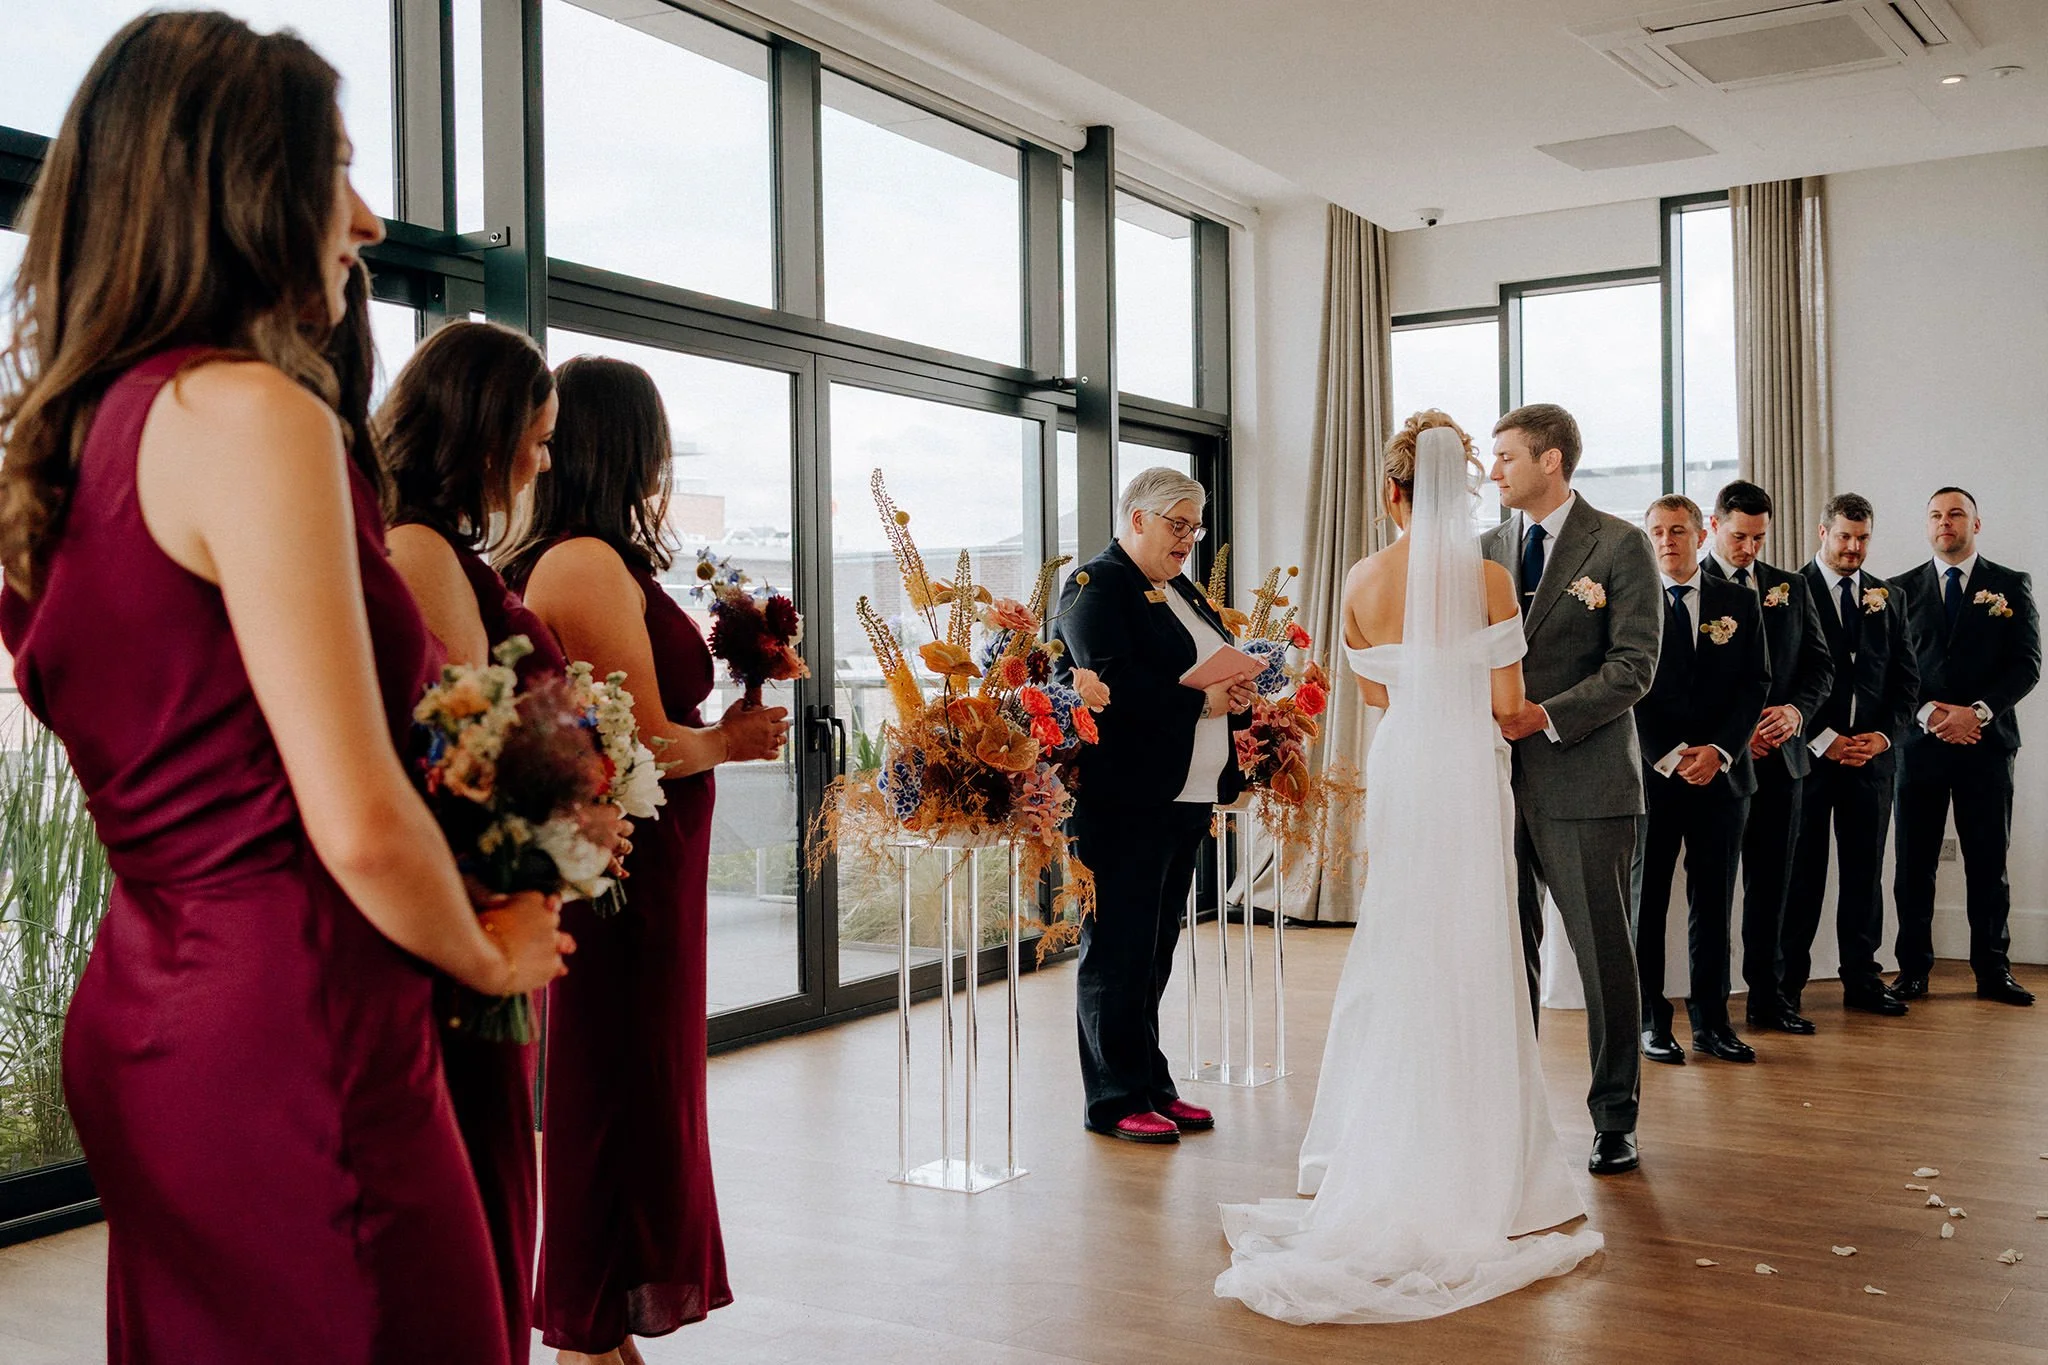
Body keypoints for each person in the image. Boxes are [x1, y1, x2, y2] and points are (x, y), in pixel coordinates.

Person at [0, 13, 567, 1362]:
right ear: (240, 181)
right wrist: (491, 951)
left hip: (151, 1010)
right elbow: (358, 809)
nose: (367, 219)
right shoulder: (247, 414)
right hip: (297, 1027)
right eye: (340, 170)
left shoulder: (65, 443)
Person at [1215, 414, 1601, 1324]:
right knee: (1475, 944)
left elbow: (1379, 691)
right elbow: (1508, 701)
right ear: (1457, 487)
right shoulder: (1492, 577)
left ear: (1391, 493)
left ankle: (1374, 1144)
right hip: (1468, 765)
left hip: (1404, 761)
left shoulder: (1360, 579)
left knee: (1396, 943)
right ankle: (1489, 1162)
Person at [503, 355, 787, 1365]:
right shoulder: (579, 561)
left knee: (639, 1083)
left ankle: (604, 1312)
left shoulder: (595, 556)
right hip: (622, 871)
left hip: (652, 862)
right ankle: (585, 1323)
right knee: (613, 1085)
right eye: (655, 443)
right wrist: (728, 743)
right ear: (622, 446)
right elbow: (631, 740)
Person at [377, 319, 570, 1362]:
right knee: (485, 1160)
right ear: (482, 431)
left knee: (503, 1161)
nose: (542, 463)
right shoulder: (416, 546)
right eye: (534, 440)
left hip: (500, 888)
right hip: (470, 903)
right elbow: (465, 743)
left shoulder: (447, 543)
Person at [1481, 403, 1659, 1176]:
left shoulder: (1619, 543)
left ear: (1551, 460)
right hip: (1489, 784)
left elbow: (1634, 665)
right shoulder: (1485, 549)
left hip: (1585, 778)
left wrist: (1541, 716)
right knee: (1501, 952)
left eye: (1507, 456)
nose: (1495, 471)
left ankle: (1614, 1118)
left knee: (1602, 957)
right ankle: (1511, 1114)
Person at [1053, 466, 1255, 1144]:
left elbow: (1202, 660)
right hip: (1124, 800)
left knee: (1157, 951)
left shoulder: (1177, 589)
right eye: (1178, 524)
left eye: (1196, 528)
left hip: (1184, 796)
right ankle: (1112, 1098)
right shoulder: (1094, 586)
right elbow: (1114, 682)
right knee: (1117, 951)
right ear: (1136, 518)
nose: (1189, 539)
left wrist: (1236, 688)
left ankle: (1152, 1083)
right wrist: (1204, 699)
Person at [1631, 496, 1769, 1066]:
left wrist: (1717, 751)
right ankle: (1649, 1021)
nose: (1668, 541)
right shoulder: (1631, 601)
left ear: (1700, 532)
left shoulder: (1738, 601)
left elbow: (1755, 683)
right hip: (1653, 779)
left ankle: (1712, 1022)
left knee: (1713, 903)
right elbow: (1625, 684)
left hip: (1722, 780)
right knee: (1647, 902)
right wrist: (1668, 754)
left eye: (1679, 530)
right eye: (1658, 531)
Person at [1889, 488, 2041, 1005]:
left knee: (1987, 861)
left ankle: (1993, 970)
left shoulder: (2009, 585)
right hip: (1918, 745)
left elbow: (2027, 665)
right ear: (1926, 525)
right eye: (1935, 515)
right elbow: (1887, 671)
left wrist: (1975, 713)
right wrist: (1931, 713)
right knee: (1913, 864)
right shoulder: (1896, 590)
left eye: (1956, 514)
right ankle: (1911, 970)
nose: (1945, 523)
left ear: (1978, 523)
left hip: (1987, 743)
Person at [1701, 480, 1834, 1035]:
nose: (1749, 548)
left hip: (1783, 762)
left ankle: (1768, 996)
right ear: (1714, 525)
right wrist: (1734, 736)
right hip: (1720, 767)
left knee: (1774, 885)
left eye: (1759, 538)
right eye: (1739, 536)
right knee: (1713, 894)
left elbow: (1820, 669)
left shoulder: (1791, 587)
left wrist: (1795, 716)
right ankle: (1710, 1008)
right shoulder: (1690, 585)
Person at [1782, 494, 1919, 1017]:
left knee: (1865, 875)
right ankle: (1787, 987)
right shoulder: (1788, 591)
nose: (1853, 548)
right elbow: (1786, 679)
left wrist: (1883, 738)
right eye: (1844, 536)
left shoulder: (1890, 597)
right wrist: (1823, 739)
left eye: (1862, 538)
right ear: (1823, 533)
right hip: (1810, 762)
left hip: (1872, 760)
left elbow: (1906, 681)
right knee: (1804, 876)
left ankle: (1862, 980)